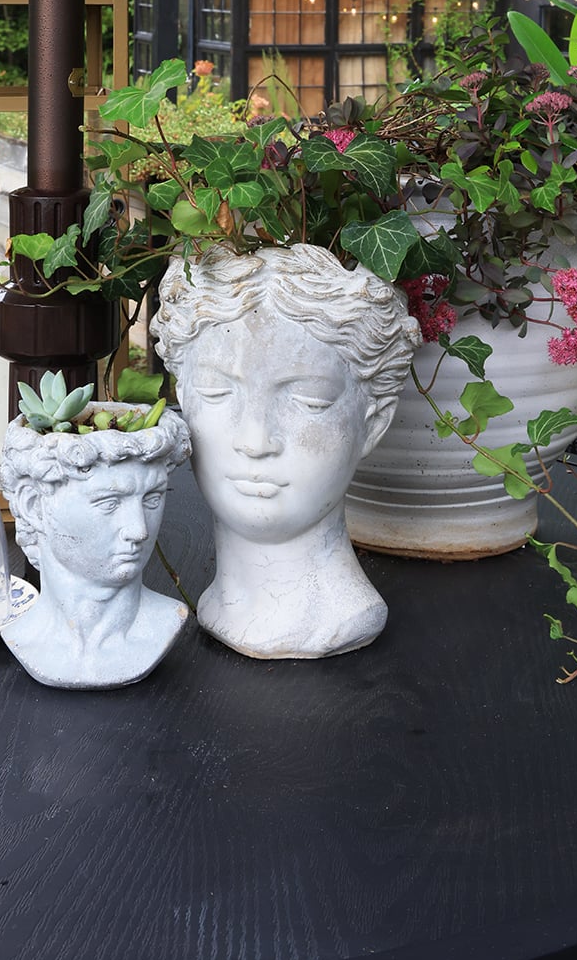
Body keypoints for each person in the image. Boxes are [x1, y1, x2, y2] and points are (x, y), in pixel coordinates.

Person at [151, 243, 420, 659]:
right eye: (216, 392)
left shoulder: (340, 617)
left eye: (310, 400)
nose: (255, 442)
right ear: (183, 399)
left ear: (374, 421)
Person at [0, 408, 191, 689]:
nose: (139, 530)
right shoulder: (20, 633)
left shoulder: (163, 625)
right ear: (34, 506)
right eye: (109, 504)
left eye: (151, 499)